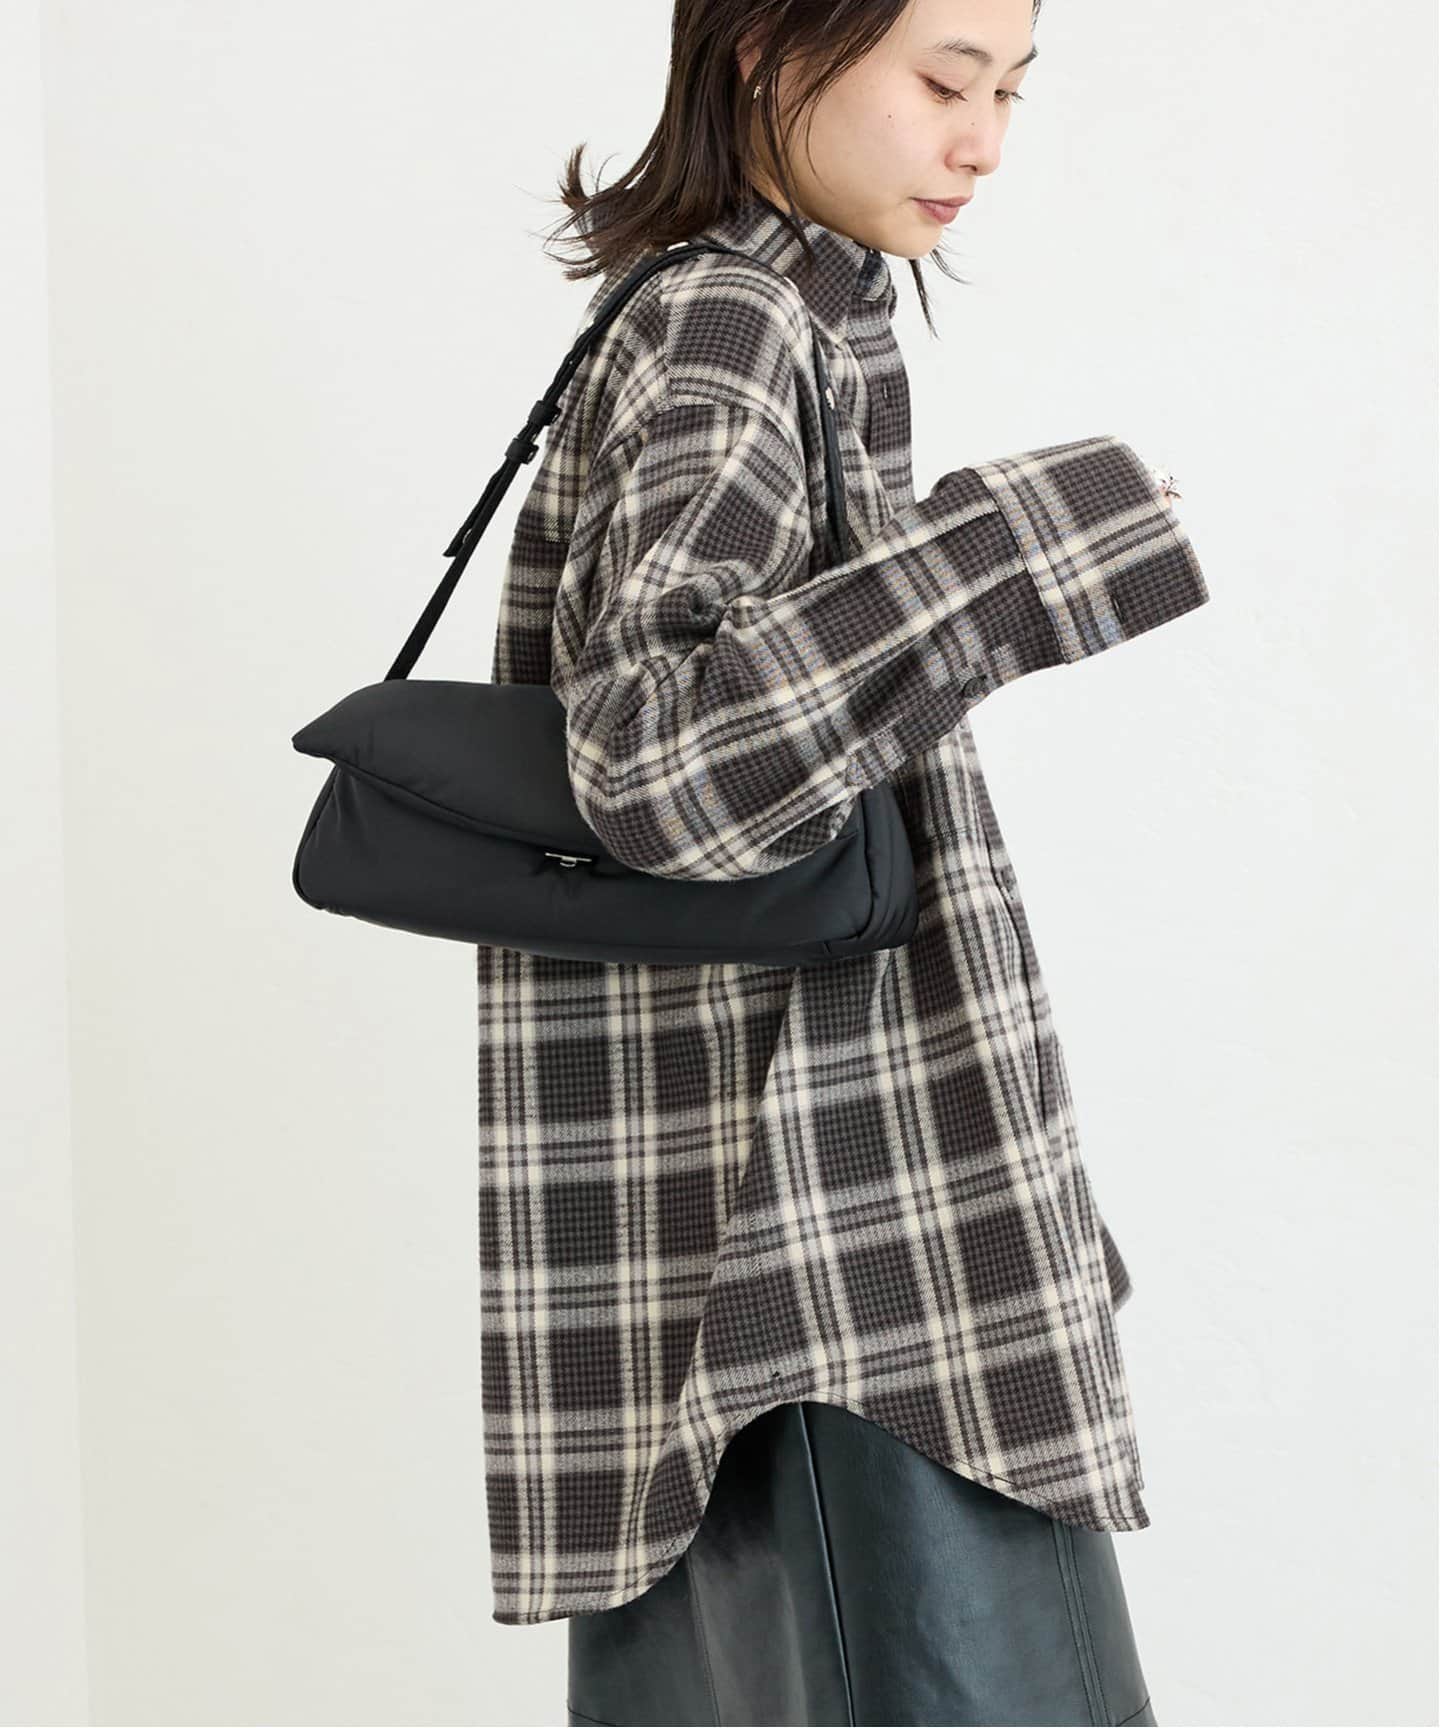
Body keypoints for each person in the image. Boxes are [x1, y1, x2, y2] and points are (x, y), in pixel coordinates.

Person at [475, 0, 1209, 1720]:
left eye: (1011, 89)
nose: (985, 142)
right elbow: (662, 760)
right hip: (825, 1269)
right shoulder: (733, 317)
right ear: (763, 46)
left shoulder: (761, 310)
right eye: (945, 80)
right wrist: (1022, 539)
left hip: (776, 1265)